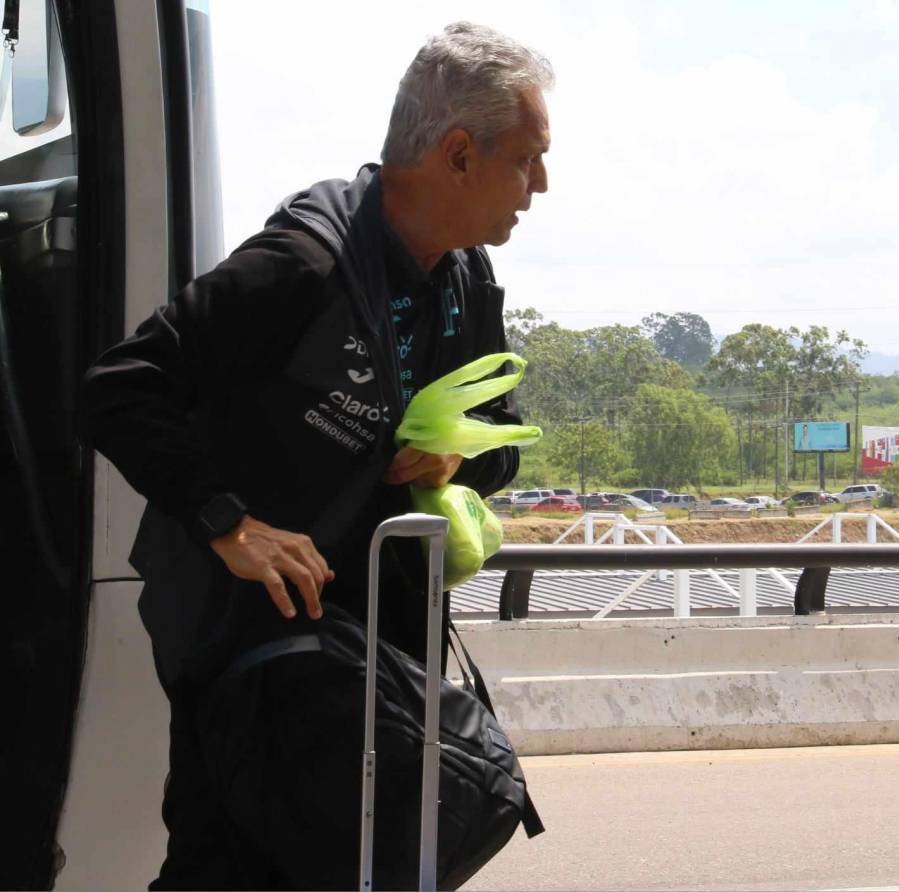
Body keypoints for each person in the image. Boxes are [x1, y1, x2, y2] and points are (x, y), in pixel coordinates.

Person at [82, 22, 552, 889]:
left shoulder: (465, 283)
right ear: (456, 154)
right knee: (230, 866)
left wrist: (456, 464)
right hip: (246, 640)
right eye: (527, 159)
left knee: (378, 861)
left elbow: (500, 447)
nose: (541, 185)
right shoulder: (299, 266)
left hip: (378, 644)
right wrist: (229, 522)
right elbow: (120, 386)